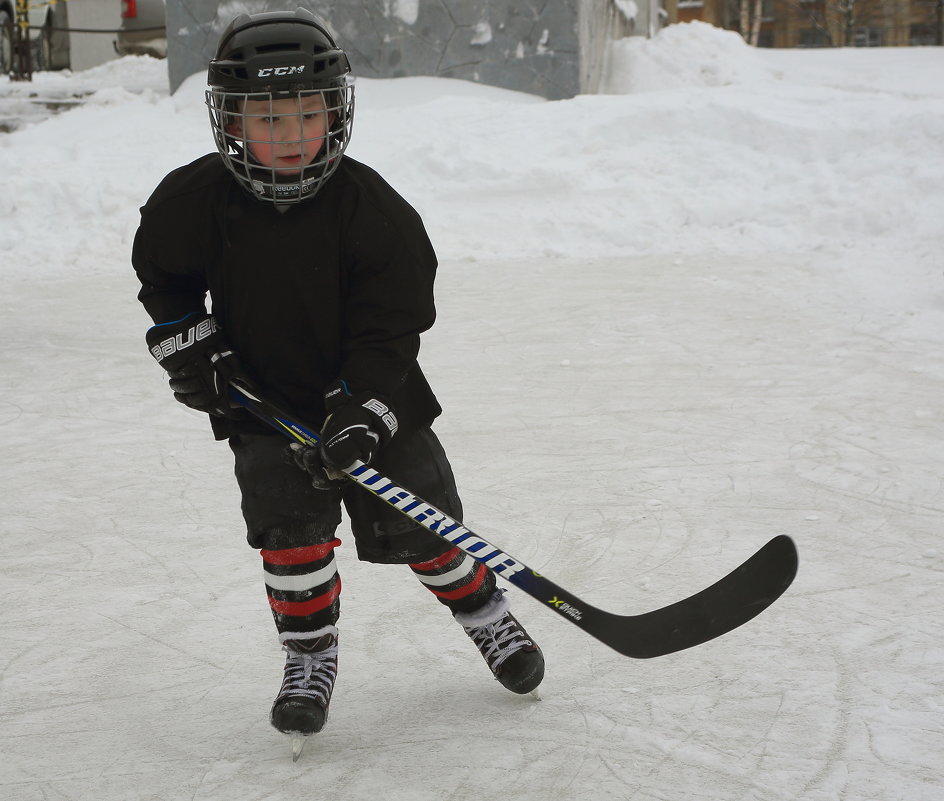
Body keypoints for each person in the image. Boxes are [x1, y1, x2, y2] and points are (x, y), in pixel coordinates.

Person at [133, 8, 544, 743]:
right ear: (229, 120)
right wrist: (191, 347)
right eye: (268, 118)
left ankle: (487, 614)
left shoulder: (373, 211)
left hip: (374, 405)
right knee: (289, 537)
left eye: (306, 114)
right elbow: (164, 281)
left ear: (335, 112)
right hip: (264, 406)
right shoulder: (195, 201)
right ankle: (309, 654)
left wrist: (362, 410)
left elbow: (393, 332)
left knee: (427, 529)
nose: (289, 135)